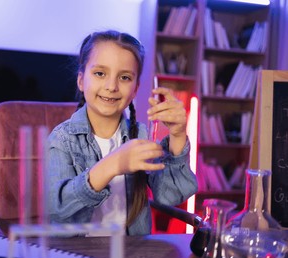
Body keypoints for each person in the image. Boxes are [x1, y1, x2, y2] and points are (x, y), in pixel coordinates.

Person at [46, 30, 197, 235]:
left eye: (124, 77)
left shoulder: (141, 135)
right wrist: (112, 165)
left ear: (135, 89)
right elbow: (58, 212)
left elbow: (171, 195)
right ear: (81, 80)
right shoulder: (61, 139)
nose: (111, 86)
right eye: (100, 73)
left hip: (130, 254)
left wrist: (178, 135)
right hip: (78, 256)